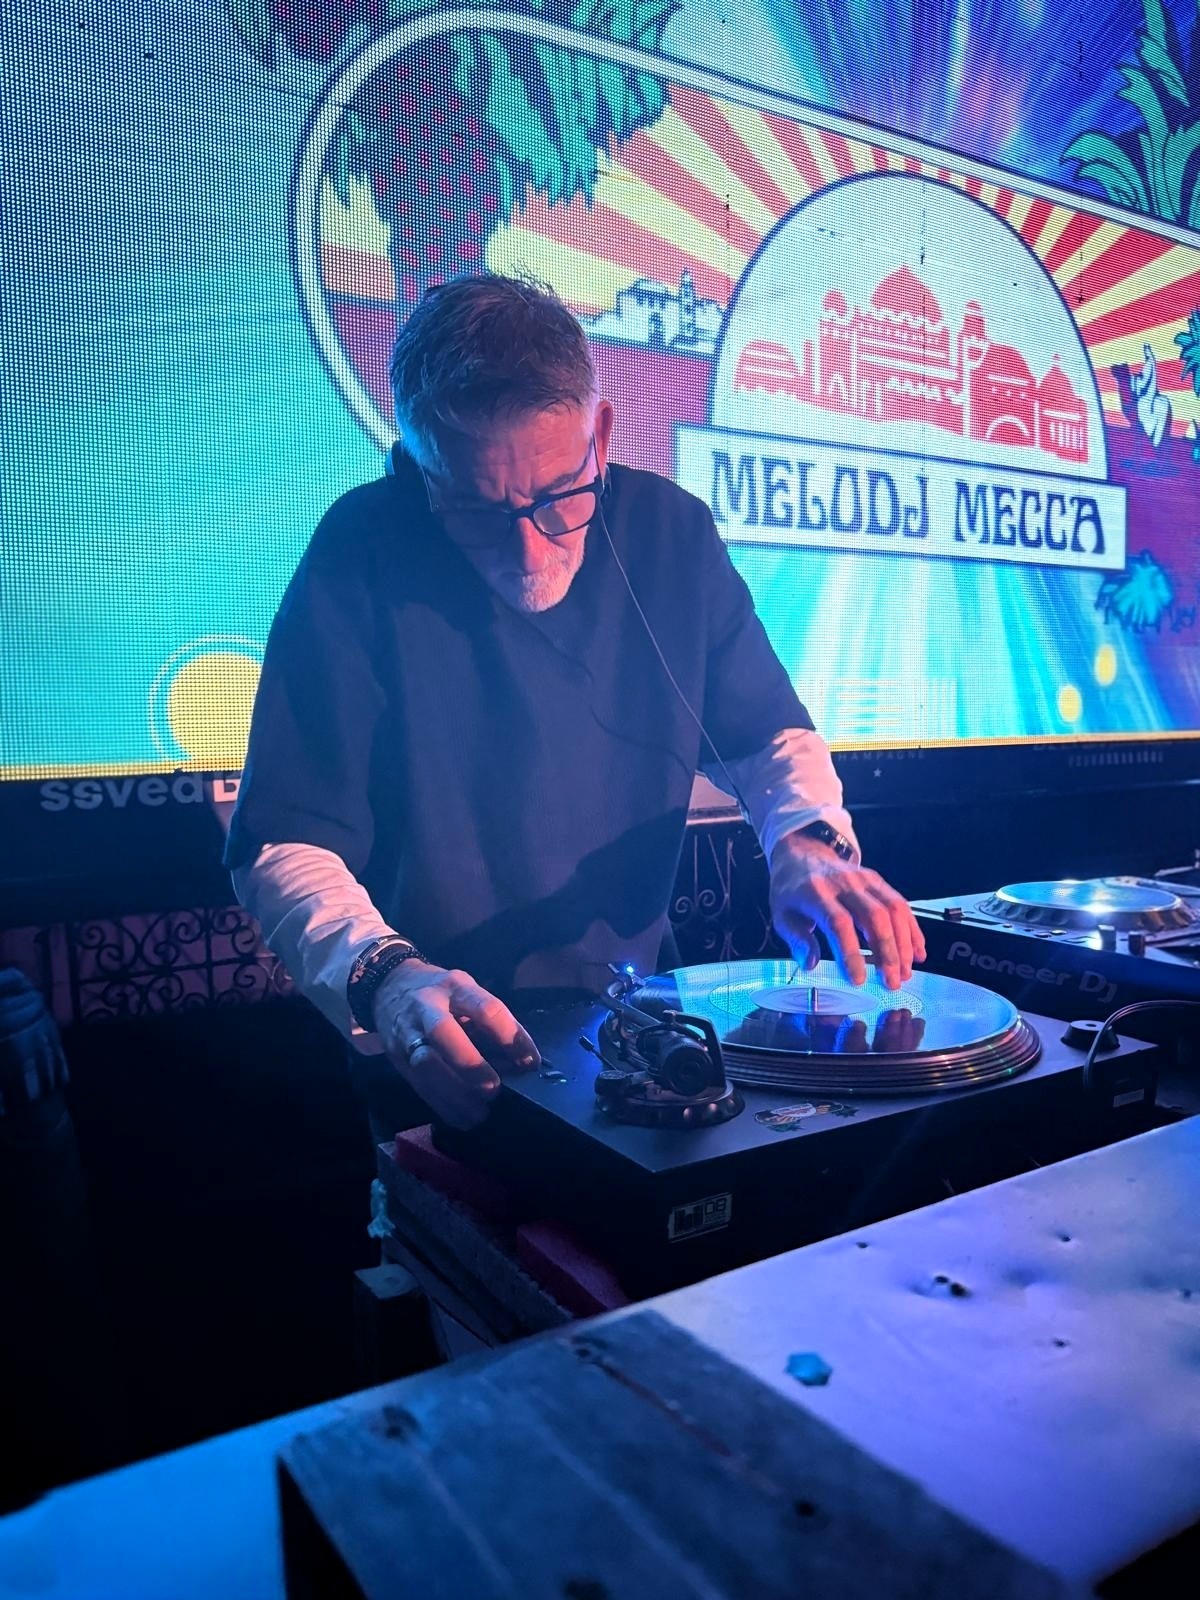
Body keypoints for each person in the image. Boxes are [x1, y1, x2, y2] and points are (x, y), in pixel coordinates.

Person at [227, 274, 924, 1136]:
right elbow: (285, 839)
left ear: (601, 433)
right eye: (477, 510)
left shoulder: (672, 530)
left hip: (644, 1024)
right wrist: (388, 980)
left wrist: (808, 844)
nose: (528, 551)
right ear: (413, 467)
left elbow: (766, 732)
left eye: (559, 496)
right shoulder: (356, 552)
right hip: (441, 1050)